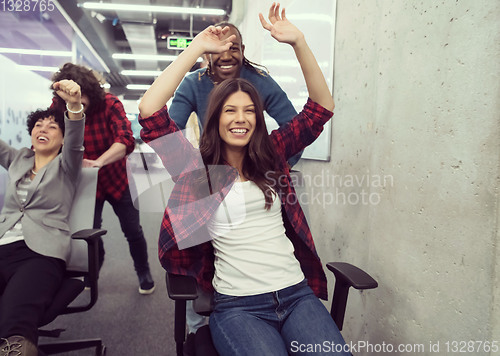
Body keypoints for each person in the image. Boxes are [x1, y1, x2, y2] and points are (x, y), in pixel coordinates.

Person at [138, 3, 348, 355]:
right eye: (230, 110)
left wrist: (299, 42)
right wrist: (197, 48)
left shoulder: (273, 155)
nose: (242, 118)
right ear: (216, 118)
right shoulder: (195, 170)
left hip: (297, 294)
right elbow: (150, 113)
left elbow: (320, 108)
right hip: (239, 306)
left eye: (250, 110)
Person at [50, 63, 155, 295]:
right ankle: (93, 270)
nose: (78, 102)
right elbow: (52, 138)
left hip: (117, 178)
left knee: (133, 231)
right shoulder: (59, 106)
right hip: (86, 182)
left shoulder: (110, 104)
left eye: (83, 97)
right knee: (89, 233)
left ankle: (143, 271)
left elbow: (126, 140)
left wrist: (100, 161)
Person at [0, 80, 85, 355]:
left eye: (52, 126)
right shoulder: (18, 159)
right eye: (38, 125)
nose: (43, 129)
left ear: (62, 139)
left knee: (15, 318)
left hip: (40, 253)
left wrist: (73, 105)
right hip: (3, 245)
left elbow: (75, 137)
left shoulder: (67, 165)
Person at [167, 20, 302, 167]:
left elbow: (298, 129)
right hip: (212, 168)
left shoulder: (261, 81)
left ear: (242, 51)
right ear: (207, 55)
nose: (226, 56)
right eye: (218, 49)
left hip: (253, 169)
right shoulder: (192, 84)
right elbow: (170, 135)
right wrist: (193, 169)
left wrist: (278, 167)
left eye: (233, 48)